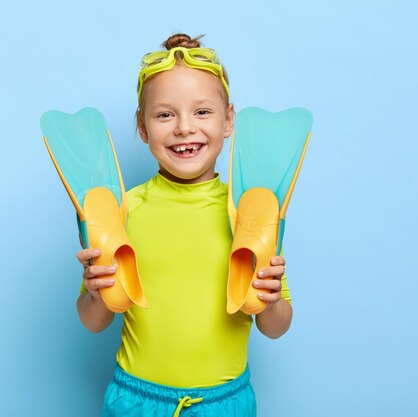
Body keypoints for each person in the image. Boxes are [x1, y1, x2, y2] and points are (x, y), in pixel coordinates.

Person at [75, 33, 293, 417]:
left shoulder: (251, 213)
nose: (184, 128)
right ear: (142, 128)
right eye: (164, 114)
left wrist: (271, 300)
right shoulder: (122, 211)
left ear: (228, 122)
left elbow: (275, 327)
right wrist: (95, 294)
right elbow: (94, 322)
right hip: (137, 402)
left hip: (224, 403)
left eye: (202, 112)